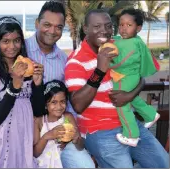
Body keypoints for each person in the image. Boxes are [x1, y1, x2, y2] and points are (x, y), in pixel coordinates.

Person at [0, 2, 95, 168]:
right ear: (37, 24)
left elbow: (42, 107)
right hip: (6, 134)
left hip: (30, 133)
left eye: (58, 27)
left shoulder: (55, 60)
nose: (12, 46)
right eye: (47, 24)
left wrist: (38, 85)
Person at [65, 9, 169, 168]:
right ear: (85, 29)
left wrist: (130, 95)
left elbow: (140, 76)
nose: (104, 31)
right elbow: (78, 105)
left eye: (108, 26)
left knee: (163, 163)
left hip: (129, 124)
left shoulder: (119, 44)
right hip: (100, 131)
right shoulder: (76, 61)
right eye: (97, 26)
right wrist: (100, 70)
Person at [0, 16, 44, 168]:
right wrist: (14, 85)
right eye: (5, 41)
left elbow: (39, 110)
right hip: (3, 137)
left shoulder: (28, 66)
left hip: (24, 136)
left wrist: (38, 84)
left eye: (17, 40)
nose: (12, 46)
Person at [110, 9, 160, 147]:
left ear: (138, 28)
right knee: (133, 98)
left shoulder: (130, 44)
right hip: (132, 78)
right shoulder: (135, 40)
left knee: (121, 105)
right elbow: (119, 41)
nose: (123, 28)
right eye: (121, 25)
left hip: (123, 77)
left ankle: (131, 135)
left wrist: (107, 62)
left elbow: (120, 62)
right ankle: (150, 114)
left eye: (128, 25)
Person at [34, 80, 84, 168]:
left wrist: (76, 140)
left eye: (63, 101)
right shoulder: (39, 121)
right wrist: (46, 136)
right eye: (54, 102)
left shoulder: (68, 117)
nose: (59, 106)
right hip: (44, 164)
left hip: (64, 163)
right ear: (45, 104)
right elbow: (35, 153)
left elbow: (80, 147)